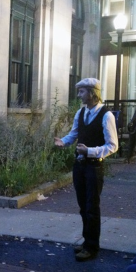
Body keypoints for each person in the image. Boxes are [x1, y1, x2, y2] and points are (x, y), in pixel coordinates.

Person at [54, 78, 118, 262]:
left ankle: (92, 247)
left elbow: (113, 146)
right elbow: (74, 133)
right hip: (79, 167)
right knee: (83, 206)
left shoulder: (107, 116)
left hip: (94, 167)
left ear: (92, 93)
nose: (79, 95)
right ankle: (87, 242)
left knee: (92, 207)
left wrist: (90, 151)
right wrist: (63, 142)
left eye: (82, 91)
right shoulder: (81, 112)